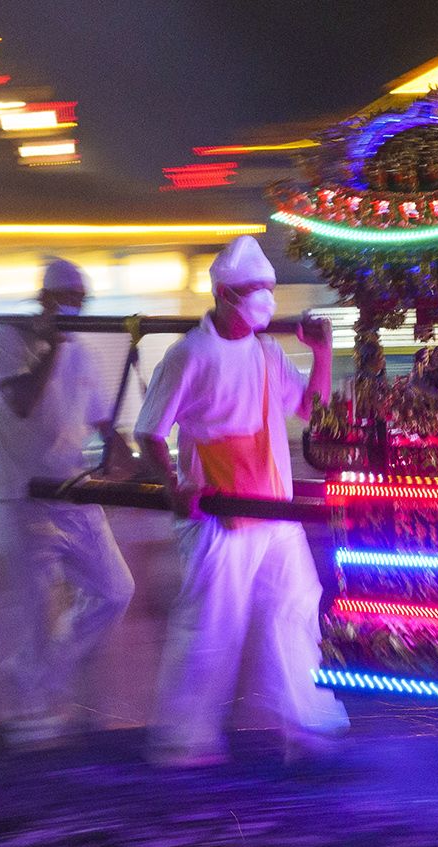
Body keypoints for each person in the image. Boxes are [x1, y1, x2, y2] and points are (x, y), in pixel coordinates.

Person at [134, 235, 344, 768]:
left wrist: (322, 353)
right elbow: (150, 435)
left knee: (296, 609)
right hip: (219, 519)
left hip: (275, 513)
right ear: (226, 294)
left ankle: (308, 724)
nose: (267, 300)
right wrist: (175, 488)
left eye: (270, 290)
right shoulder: (189, 355)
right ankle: (184, 740)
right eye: (258, 290)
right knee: (210, 627)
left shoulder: (269, 353)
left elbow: (311, 410)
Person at [0, 258, 137, 747]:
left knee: (115, 590)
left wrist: (130, 455)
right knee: (39, 616)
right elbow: (24, 403)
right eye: (66, 301)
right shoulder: (7, 343)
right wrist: (54, 344)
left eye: (80, 302)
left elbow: (102, 423)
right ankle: (31, 714)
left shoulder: (82, 353)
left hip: (72, 491)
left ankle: (32, 677)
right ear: (44, 300)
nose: (74, 310)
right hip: (24, 495)